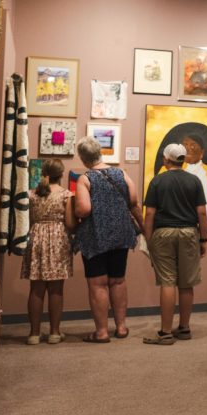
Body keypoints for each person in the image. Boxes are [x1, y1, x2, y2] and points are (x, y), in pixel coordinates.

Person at [72, 136, 143, 343]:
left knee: (98, 284)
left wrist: (75, 208)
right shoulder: (121, 173)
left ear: (84, 158)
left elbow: (84, 209)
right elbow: (133, 201)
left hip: (95, 235)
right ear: (100, 153)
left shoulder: (86, 179)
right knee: (118, 280)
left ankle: (102, 332)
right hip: (121, 234)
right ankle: (121, 327)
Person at [141, 143, 207, 345]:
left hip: (163, 233)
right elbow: (202, 213)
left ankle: (165, 332)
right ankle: (185, 328)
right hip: (189, 232)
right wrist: (203, 239)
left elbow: (150, 213)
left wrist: (147, 238)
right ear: (182, 159)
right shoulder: (194, 181)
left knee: (167, 281)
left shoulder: (157, 181)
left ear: (166, 160)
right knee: (186, 283)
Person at [22, 159, 75, 344]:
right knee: (56, 289)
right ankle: (54, 332)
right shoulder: (66, 195)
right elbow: (69, 223)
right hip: (58, 239)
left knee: (36, 289)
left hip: (36, 237)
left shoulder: (31, 194)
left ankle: (34, 334)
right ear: (61, 174)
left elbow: (27, 220)